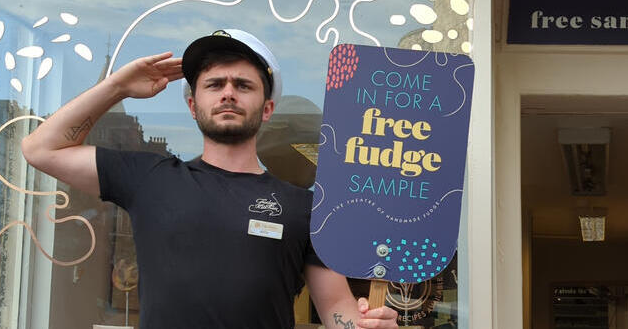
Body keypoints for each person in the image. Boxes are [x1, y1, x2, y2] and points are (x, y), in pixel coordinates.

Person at [22, 29, 400, 329]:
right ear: (192, 105)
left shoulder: (304, 206)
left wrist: (368, 325)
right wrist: (117, 86)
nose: (229, 94)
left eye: (244, 85)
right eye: (215, 85)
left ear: (267, 109)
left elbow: (336, 308)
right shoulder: (149, 178)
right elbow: (41, 149)